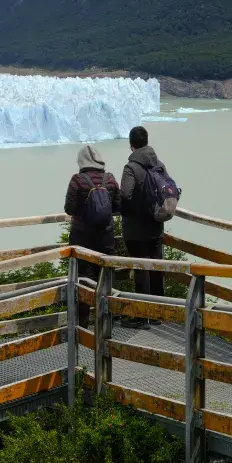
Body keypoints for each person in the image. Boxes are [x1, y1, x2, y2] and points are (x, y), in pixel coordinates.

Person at [64, 144, 120, 328]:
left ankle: (82, 325)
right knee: (106, 278)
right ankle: (107, 321)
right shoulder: (110, 179)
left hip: (82, 239)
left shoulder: (77, 180)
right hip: (106, 238)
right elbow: (118, 206)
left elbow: (69, 208)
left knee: (84, 280)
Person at [120, 125, 169, 328]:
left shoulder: (131, 168)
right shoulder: (159, 164)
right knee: (156, 267)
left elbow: (125, 194)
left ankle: (142, 317)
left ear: (131, 144)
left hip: (135, 228)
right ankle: (158, 314)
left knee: (141, 270)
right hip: (156, 226)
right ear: (146, 142)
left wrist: (127, 210)